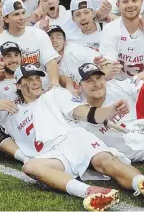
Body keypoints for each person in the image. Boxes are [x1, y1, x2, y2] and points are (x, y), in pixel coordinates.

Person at [12, 63, 144, 211]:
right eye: (29, 79)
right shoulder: (13, 113)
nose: (35, 82)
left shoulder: (55, 94)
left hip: (74, 138)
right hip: (52, 153)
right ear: (18, 85)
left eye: (37, 77)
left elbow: (85, 112)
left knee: (104, 161)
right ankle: (90, 191)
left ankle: (140, 181)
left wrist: (109, 112)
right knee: (31, 166)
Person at [0, 0, 60, 89]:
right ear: (6, 19)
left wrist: (54, 83)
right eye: (16, 14)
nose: (21, 17)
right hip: (14, 87)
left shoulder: (39, 34)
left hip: (38, 82)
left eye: (23, 13)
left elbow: (51, 61)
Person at [76, 63, 144, 161]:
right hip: (131, 151)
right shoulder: (79, 111)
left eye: (99, 78)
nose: (96, 84)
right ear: (80, 87)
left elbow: (138, 86)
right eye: (89, 81)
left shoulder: (118, 87)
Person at [99, 0, 144, 81]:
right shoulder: (110, 29)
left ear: (141, 1)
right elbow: (108, 69)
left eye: (134, 0)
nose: (130, 5)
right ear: (118, 5)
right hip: (120, 85)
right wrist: (104, 70)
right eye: (125, 1)